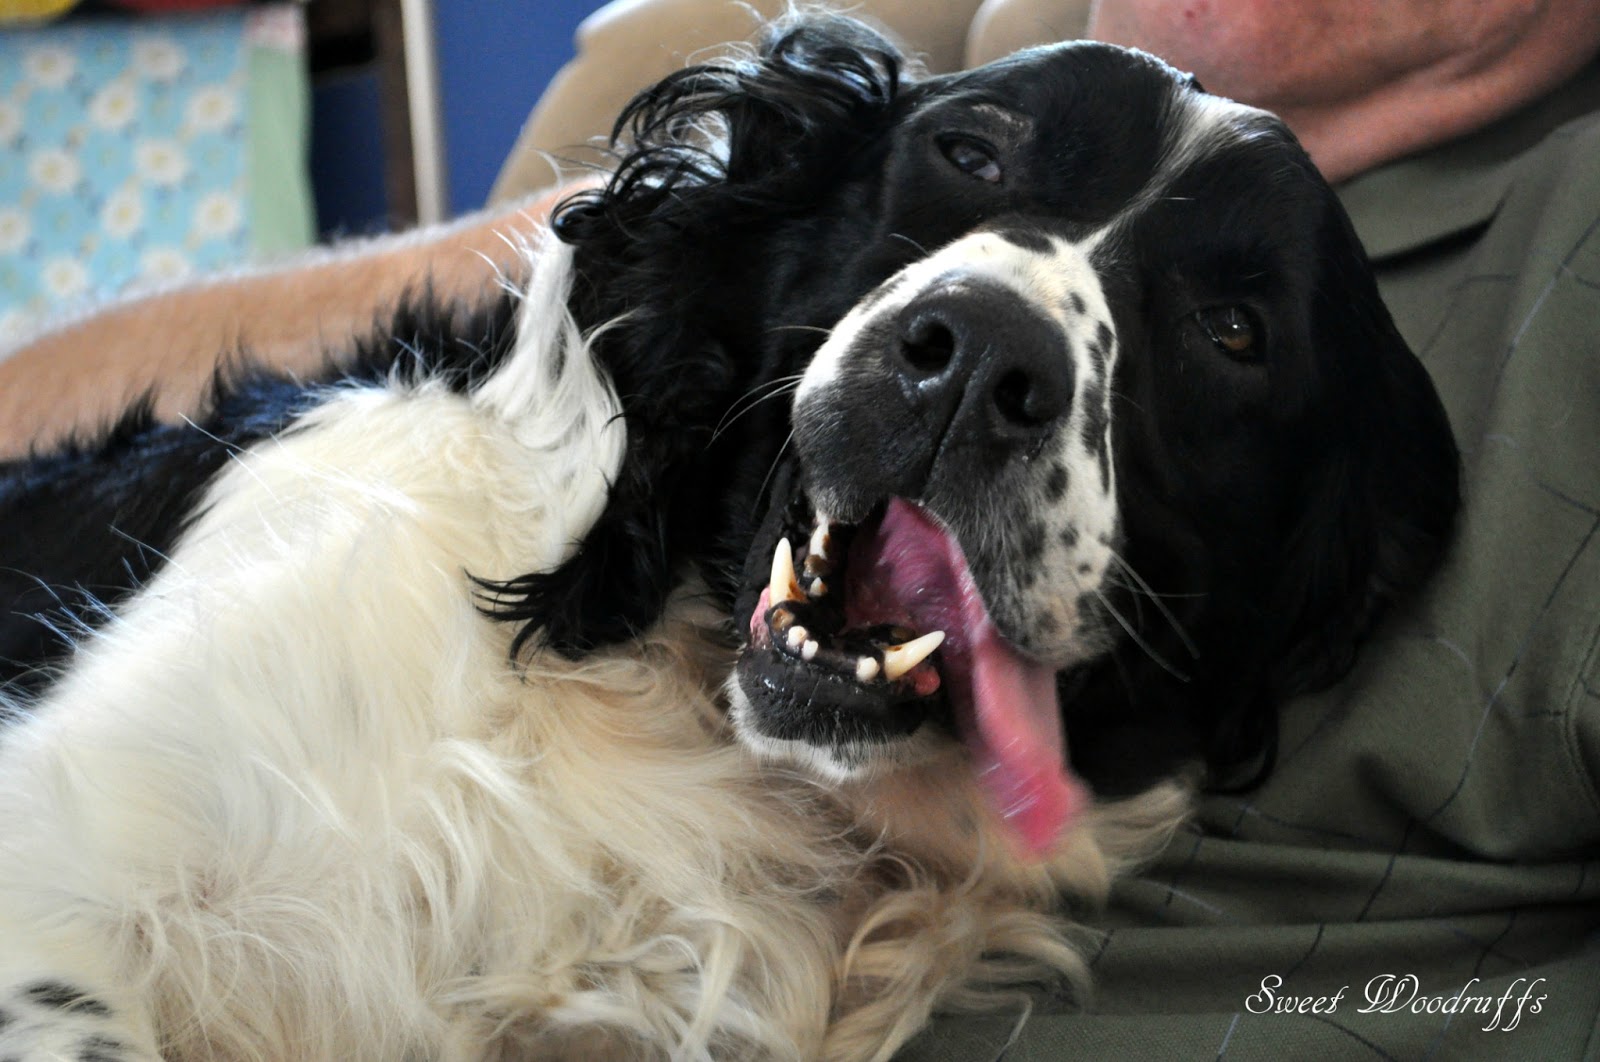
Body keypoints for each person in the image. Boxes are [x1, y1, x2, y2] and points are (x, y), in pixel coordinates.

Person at [3, 2, 1598, 1057]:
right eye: (966, 166)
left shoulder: (1534, 279)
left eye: (1229, 331)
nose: (989, 335)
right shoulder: (379, 567)